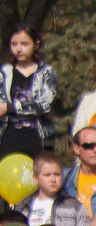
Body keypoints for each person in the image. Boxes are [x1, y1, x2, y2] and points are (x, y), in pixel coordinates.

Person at [2, 27, 55, 159]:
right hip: (8, 138)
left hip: (38, 138)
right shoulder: (4, 72)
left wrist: (10, 107)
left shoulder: (46, 72)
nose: (19, 49)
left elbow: (44, 105)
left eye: (24, 44)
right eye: (14, 44)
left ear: (36, 44)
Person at [24, 153, 78, 226]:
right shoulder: (24, 206)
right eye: (47, 175)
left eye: (57, 174)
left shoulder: (74, 205)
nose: (53, 179)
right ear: (35, 178)